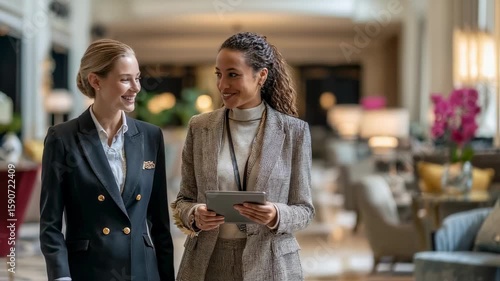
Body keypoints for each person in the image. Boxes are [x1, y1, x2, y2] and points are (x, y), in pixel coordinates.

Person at [171, 31, 314, 281]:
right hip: (208, 261)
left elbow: (304, 210)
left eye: (233, 74)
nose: (222, 85)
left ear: (261, 76)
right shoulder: (199, 127)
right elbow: (183, 199)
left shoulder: (294, 131)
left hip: (269, 263)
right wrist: (195, 213)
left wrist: (276, 214)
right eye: (219, 74)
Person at [40, 39, 175, 281]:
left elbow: (160, 223)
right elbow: (50, 225)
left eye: (138, 78)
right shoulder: (62, 138)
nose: (136, 87)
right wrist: (60, 277)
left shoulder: (150, 136)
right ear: (96, 81)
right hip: (88, 271)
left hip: (142, 271)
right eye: (125, 79)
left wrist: (167, 276)